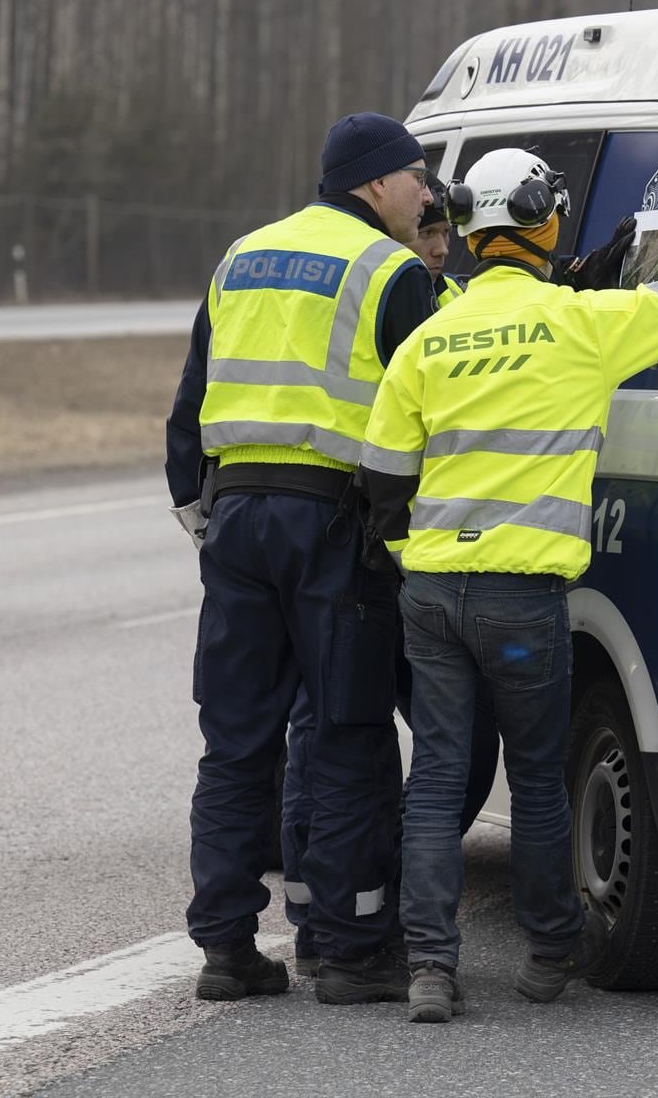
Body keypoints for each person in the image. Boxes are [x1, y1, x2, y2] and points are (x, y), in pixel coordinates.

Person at [358, 147, 658, 1023]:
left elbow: (382, 482)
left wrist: (422, 555)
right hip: (524, 600)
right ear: (544, 220)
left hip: (434, 593)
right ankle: (545, 955)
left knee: (437, 778)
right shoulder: (583, 324)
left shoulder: (429, 337)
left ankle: (430, 967)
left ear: (469, 226)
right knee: (535, 779)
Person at [163, 112, 444, 1005]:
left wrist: (205, 524)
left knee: (236, 740)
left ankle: (226, 949)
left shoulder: (240, 257)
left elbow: (189, 408)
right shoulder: (391, 271)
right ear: (375, 182)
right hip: (333, 525)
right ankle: (352, 949)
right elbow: (431, 413)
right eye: (417, 176)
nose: (427, 193)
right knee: (348, 733)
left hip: (239, 517)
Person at [283, 194, 499, 981]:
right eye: (426, 230)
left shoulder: (451, 299)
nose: (438, 246)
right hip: (379, 559)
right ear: (391, 225)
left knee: (344, 734)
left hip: (401, 560)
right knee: (346, 736)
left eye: (447, 233)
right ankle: (337, 919)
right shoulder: (382, 286)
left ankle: (348, 907)